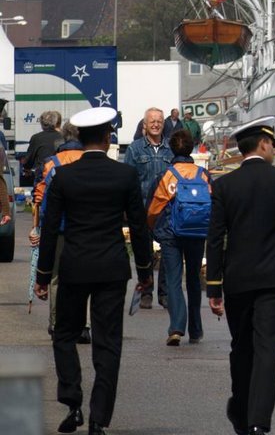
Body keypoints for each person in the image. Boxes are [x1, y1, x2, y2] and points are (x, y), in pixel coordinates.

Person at [33, 106, 153, 435]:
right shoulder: (125, 176)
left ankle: (72, 402)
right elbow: (140, 228)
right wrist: (145, 272)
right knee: (108, 343)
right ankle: (99, 417)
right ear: (108, 137)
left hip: (74, 266)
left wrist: (43, 276)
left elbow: (50, 229)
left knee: (64, 335)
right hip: (112, 267)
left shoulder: (64, 177)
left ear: (79, 138)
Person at [207, 117, 275, 435]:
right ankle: (258, 423)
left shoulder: (224, 185)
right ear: (264, 144)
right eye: (272, 145)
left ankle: (240, 408)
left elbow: (215, 238)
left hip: (237, 279)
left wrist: (214, 286)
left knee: (241, 347)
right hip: (273, 280)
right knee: (267, 350)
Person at [147, 128, 211, 346]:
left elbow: (154, 208)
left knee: (173, 280)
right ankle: (196, 329)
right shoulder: (202, 175)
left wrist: (153, 229)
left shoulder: (167, 175)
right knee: (193, 278)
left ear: (171, 148)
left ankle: (176, 327)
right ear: (192, 147)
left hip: (171, 234)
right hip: (197, 231)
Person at [30, 121, 89, 341]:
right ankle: (84, 325)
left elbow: (39, 196)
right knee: (84, 276)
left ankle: (56, 323)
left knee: (55, 278)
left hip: (59, 227)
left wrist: (37, 227)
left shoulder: (51, 163)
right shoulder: (88, 161)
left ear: (63, 138)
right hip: (85, 228)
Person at [124, 107, 174, 308]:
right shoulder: (134, 149)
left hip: (166, 209)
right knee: (143, 252)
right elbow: (128, 179)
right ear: (145, 125)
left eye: (159, 121)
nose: (155, 124)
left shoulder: (171, 148)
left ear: (164, 124)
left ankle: (164, 293)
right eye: (151, 121)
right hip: (142, 208)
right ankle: (146, 290)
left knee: (167, 252)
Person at [21, 110, 63, 183]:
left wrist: (26, 167)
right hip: (60, 173)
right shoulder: (63, 136)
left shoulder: (36, 138)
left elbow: (29, 159)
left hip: (43, 175)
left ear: (42, 123)